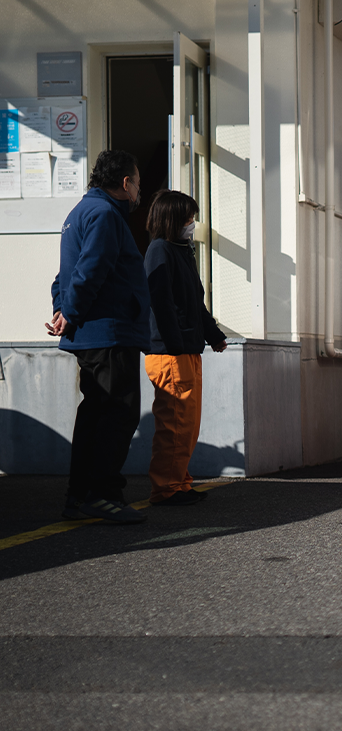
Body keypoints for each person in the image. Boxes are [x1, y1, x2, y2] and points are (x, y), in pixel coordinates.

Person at [45, 150, 151, 524]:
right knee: (118, 415)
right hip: (109, 332)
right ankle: (103, 494)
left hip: (91, 333)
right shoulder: (106, 215)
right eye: (137, 183)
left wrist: (63, 311)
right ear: (125, 183)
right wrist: (69, 313)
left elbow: (63, 276)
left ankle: (78, 496)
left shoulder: (77, 214)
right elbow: (91, 270)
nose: (139, 191)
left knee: (93, 415)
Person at [144, 191, 228, 505]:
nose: (192, 224)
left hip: (185, 351)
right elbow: (162, 304)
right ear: (172, 219)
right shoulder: (160, 250)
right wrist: (178, 344)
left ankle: (179, 483)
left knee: (187, 426)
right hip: (170, 354)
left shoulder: (180, 250)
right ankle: (166, 488)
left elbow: (194, 303)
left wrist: (213, 335)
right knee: (174, 425)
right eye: (187, 218)